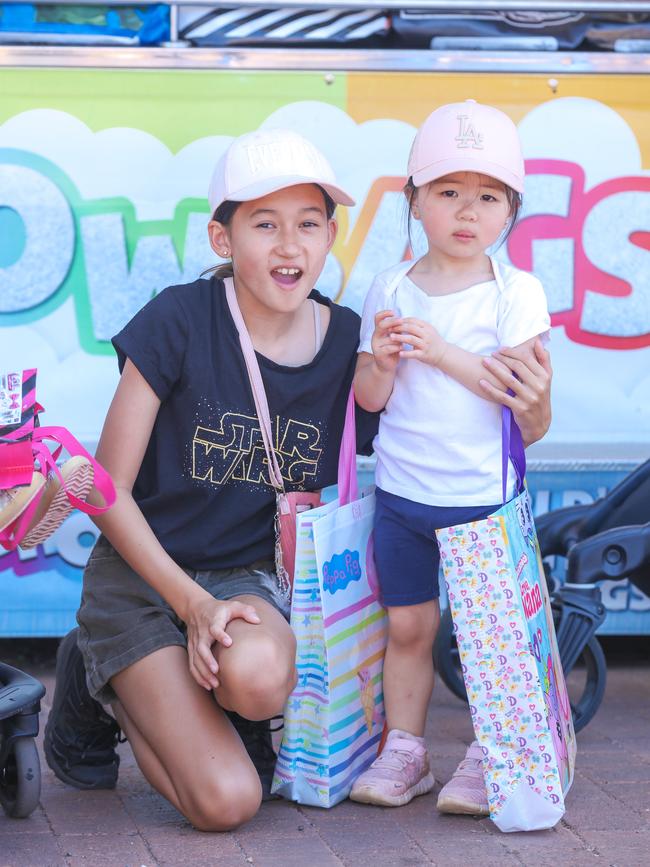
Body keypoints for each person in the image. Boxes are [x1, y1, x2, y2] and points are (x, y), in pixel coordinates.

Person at [43, 123, 550, 831]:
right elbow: (102, 487)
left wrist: (532, 407)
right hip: (141, 576)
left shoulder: (351, 340)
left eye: (309, 223)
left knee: (257, 683)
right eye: (264, 224)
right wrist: (189, 605)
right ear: (224, 239)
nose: (289, 246)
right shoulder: (179, 320)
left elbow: (452, 427)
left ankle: (192, 702)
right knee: (227, 803)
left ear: (331, 234)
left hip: (248, 579)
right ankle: (97, 676)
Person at [349, 99, 552, 816]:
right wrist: (381, 359)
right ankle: (405, 748)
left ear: (510, 211)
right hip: (403, 496)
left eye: (488, 196)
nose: (468, 211)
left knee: (485, 639)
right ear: (413, 201)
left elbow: (515, 391)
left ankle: (488, 753)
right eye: (447, 191)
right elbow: (370, 399)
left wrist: (436, 348)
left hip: (483, 501)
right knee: (407, 627)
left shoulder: (516, 293)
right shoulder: (390, 286)